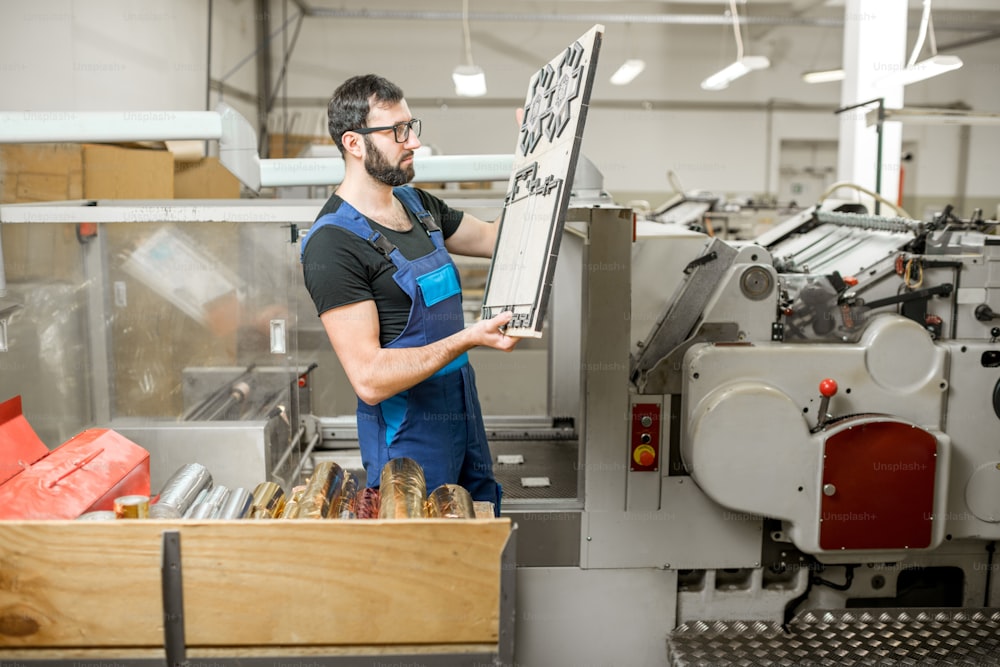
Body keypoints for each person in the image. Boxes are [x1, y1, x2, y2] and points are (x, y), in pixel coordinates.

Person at [301, 74, 518, 512]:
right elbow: (370, 378)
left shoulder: (420, 207)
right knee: (421, 554)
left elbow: (500, 239)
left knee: (476, 528)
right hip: (408, 438)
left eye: (411, 125)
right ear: (354, 143)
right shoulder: (334, 243)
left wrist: (536, 160)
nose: (413, 141)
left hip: (461, 411)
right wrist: (470, 337)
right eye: (397, 130)